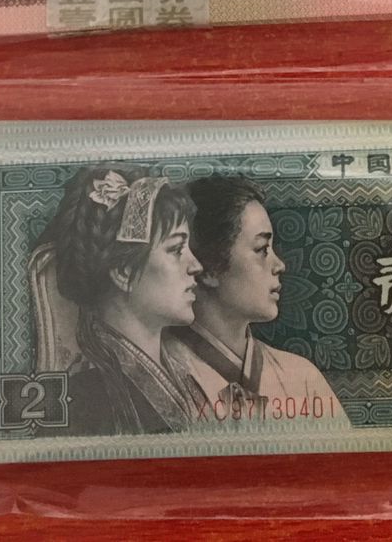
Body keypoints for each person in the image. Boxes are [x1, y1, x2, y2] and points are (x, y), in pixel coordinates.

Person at [37, 165, 204, 436]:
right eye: (176, 249)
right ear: (124, 272)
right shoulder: (85, 399)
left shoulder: (186, 373)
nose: (196, 266)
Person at [164, 176, 343, 423]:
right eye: (261, 249)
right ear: (209, 269)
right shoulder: (159, 375)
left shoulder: (302, 378)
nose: (279, 265)